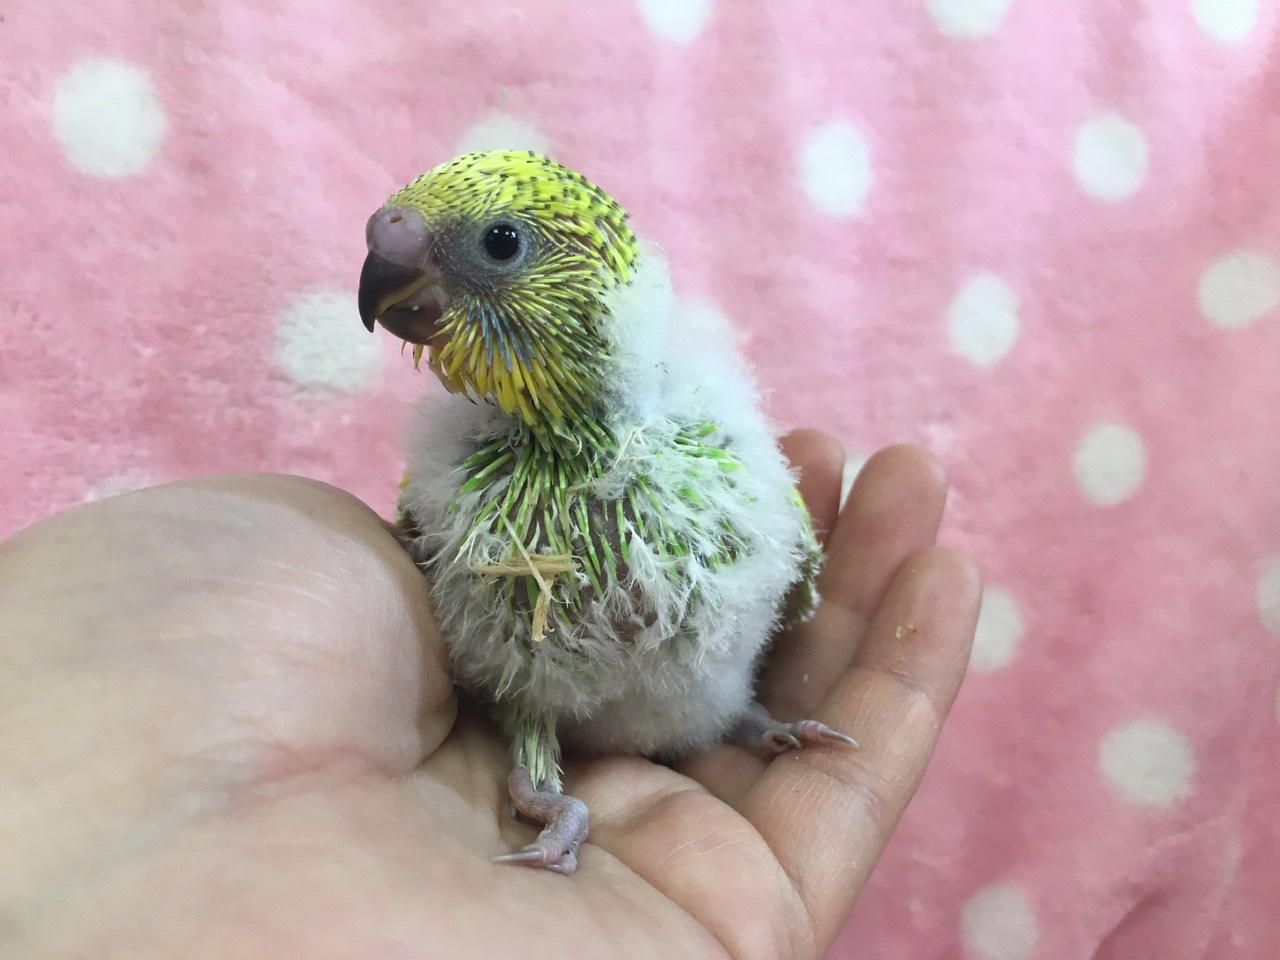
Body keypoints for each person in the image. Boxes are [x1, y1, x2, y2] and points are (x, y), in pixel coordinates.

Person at [1, 431, 980, 959]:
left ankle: (737, 725)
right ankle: (545, 789)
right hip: (534, 717)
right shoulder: (459, 480)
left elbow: (764, 578)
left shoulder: (712, 461)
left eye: (500, 248)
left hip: (706, 705)